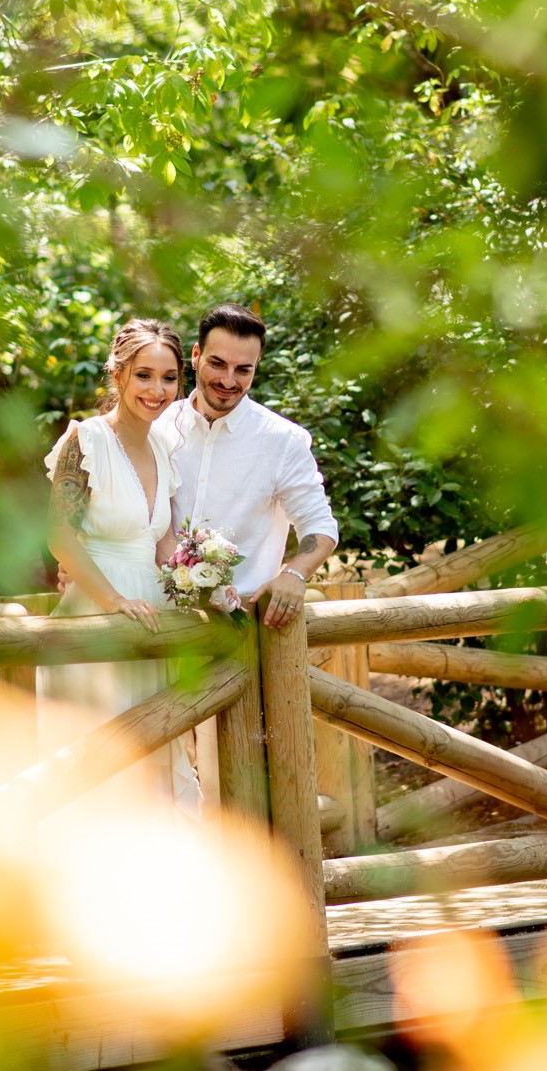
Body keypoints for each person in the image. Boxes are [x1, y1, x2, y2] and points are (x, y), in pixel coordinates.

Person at [40, 318, 200, 814]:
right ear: (119, 375)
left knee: (153, 765)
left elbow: (161, 538)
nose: (157, 390)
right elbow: (58, 534)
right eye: (144, 375)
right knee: (104, 771)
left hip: (152, 614)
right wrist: (114, 601)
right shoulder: (85, 441)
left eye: (169, 377)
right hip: (99, 613)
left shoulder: (163, 448)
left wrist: (190, 587)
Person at [155, 304, 340, 632]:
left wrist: (294, 573)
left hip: (242, 629)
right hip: (157, 621)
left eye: (243, 370)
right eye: (217, 364)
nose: (228, 380)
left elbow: (320, 527)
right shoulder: (158, 426)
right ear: (196, 355)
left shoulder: (283, 440)